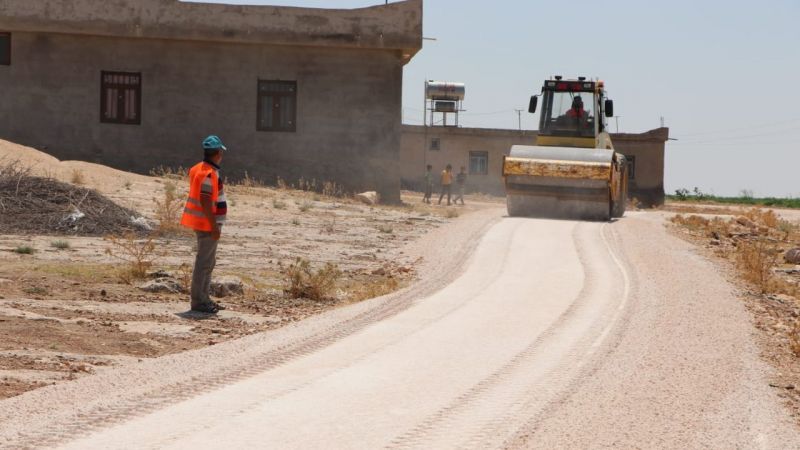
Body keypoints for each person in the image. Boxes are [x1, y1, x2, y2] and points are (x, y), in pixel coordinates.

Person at [180, 135, 229, 314]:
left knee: (207, 262)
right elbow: (205, 200)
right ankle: (199, 301)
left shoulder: (199, 169)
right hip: (207, 224)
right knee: (204, 263)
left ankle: (204, 298)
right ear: (217, 153)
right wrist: (214, 226)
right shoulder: (208, 173)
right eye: (221, 152)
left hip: (203, 222)